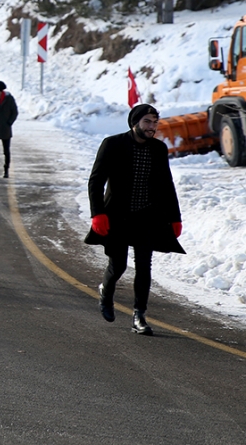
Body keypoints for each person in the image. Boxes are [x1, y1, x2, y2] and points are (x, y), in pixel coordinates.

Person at [85, 104, 185, 335]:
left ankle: (139, 315)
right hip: (117, 217)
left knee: (144, 267)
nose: (152, 127)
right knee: (118, 265)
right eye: (147, 122)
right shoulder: (113, 144)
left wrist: (175, 218)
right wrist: (97, 213)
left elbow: (166, 185)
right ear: (135, 122)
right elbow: (96, 181)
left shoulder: (159, 149)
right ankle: (106, 292)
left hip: (147, 217)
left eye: (155, 122)